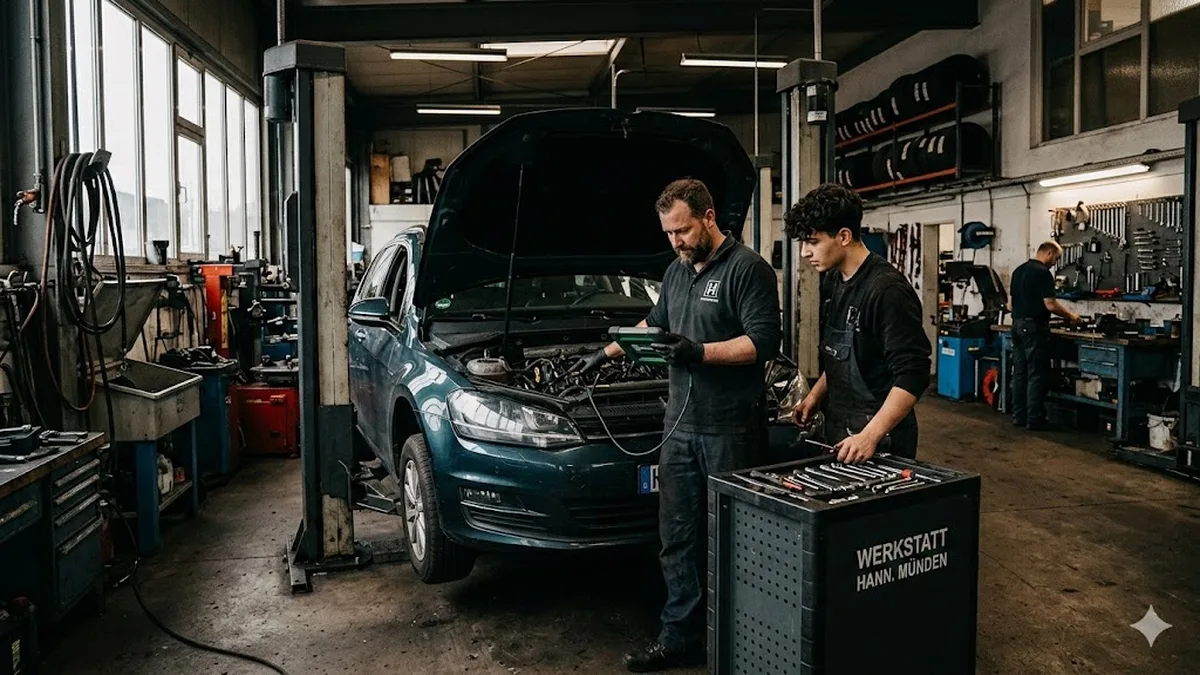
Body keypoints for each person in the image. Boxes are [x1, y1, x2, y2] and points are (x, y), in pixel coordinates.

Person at [569, 178, 781, 672]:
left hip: (730, 430)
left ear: (708, 218)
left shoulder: (748, 270)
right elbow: (655, 324)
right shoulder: (676, 270)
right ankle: (678, 638)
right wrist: (603, 353)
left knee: (734, 538)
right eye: (668, 233)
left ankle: (738, 639)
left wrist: (700, 352)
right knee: (677, 537)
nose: (676, 241)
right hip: (679, 429)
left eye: (682, 230)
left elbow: (762, 342)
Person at [784, 183, 931, 462]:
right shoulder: (835, 281)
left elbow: (913, 374)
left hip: (881, 440)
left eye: (812, 242)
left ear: (844, 236)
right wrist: (815, 397)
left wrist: (869, 436)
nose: (804, 252)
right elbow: (847, 355)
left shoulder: (887, 291)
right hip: (840, 429)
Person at [1008, 241, 1079, 430]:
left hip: (1016, 325)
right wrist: (1071, 316)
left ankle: (1018, 417)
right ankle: (1035, 419)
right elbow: (1051, 304)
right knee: (1036, 374)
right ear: (1048, 253)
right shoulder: (1042, 273)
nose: (1055, 263)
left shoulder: (1018, 271)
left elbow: (1009, 305)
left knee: (1020, 372)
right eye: (1056, 258)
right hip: (1033, 328)